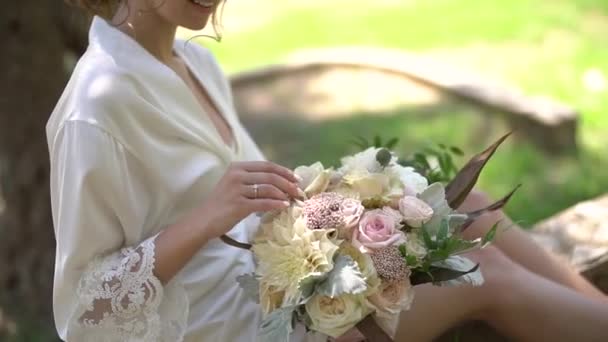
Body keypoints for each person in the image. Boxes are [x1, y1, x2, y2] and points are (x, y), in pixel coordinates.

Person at [48, 0, 608, 341]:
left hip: (289, 269)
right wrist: (206, 217)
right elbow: (81, 314)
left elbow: (256, 199)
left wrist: (342, 205)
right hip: (237, 325)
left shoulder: (195, 61)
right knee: (483, 272)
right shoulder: (96, 109)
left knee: (462, 205)